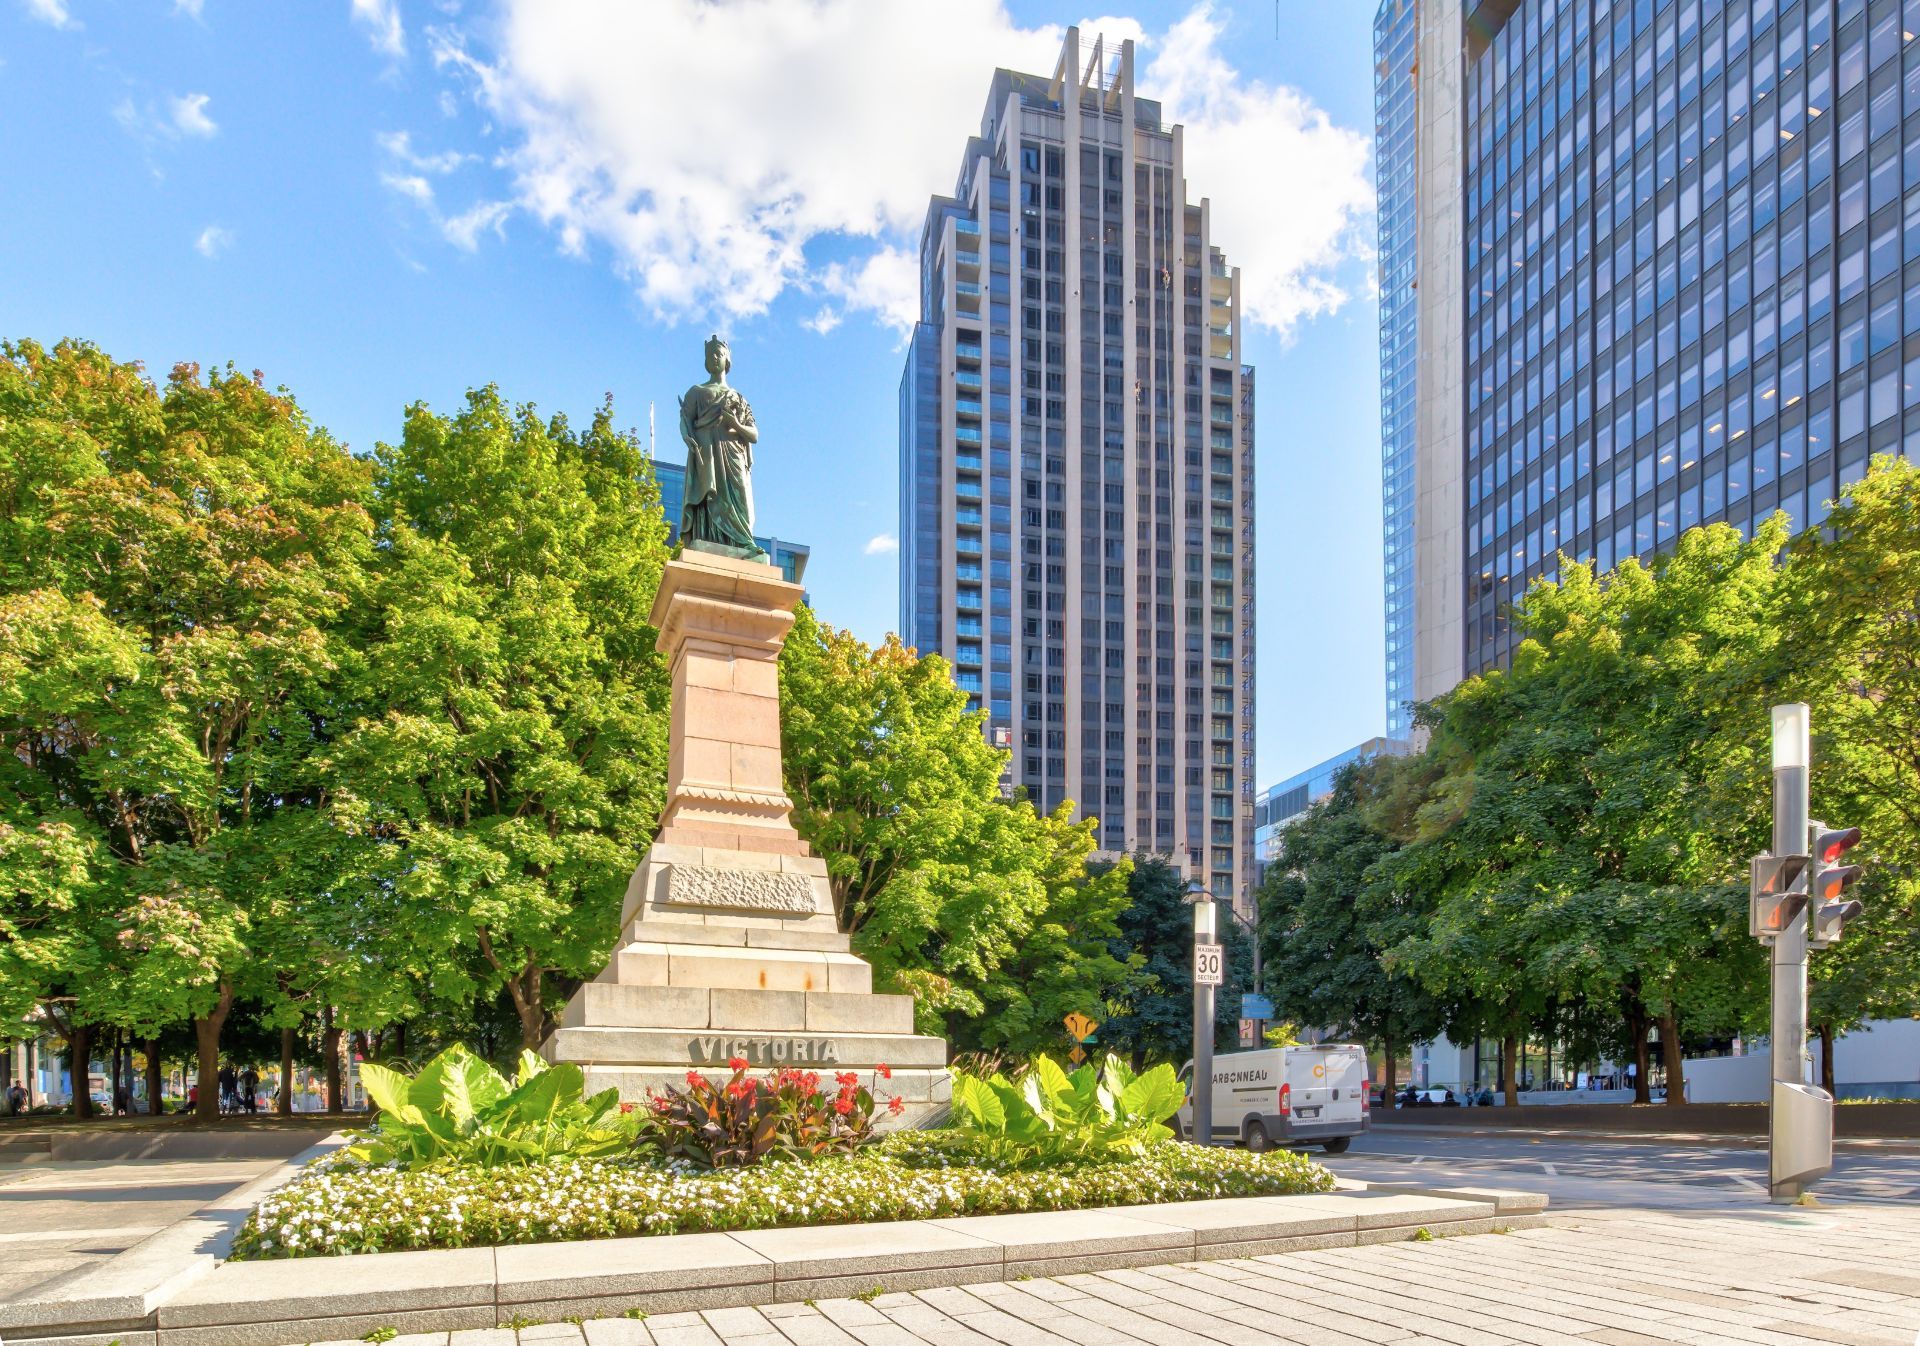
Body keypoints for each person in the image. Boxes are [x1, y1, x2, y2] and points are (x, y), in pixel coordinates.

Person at [677, 335, 765, 557]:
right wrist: (687, 435)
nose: (715, 357)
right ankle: (709, 540)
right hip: (707, 450)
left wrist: (735, 423)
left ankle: (743, 542)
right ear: (706, 361)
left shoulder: (739, 398)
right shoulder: (696, 392)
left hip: (733, 453)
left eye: (719, 354)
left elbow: (754, 434)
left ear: (727, 360)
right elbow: (685, 420)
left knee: (741, 499)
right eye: (711, 354)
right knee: (710, 495)